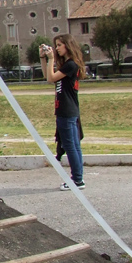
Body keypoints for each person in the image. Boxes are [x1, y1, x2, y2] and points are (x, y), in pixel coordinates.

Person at [40, 34, 85, 190]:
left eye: (59, 45)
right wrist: (44, 58)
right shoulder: (67, 65)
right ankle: (78, 179)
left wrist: (51, 58)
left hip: (67, 110)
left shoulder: (71, 65)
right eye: (56, 45)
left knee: (71, 146)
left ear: (67, 45)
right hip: (66, 110)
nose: (57, 48)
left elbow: (51, 78)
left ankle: (77, 180)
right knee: (74, 145)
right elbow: (48, 76)